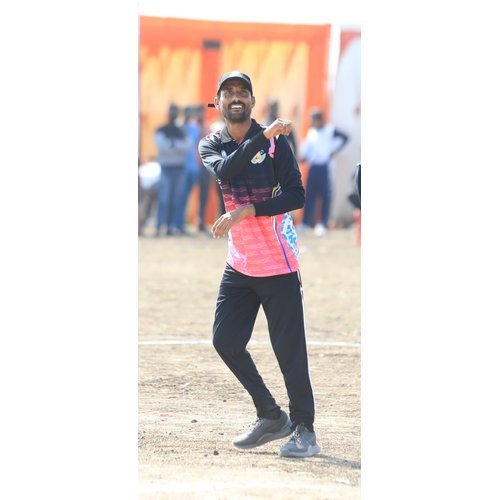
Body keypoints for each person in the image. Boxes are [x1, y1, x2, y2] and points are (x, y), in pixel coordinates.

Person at [198, 70, 320, 458]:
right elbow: (226, 170)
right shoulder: (211, 144)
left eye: (242, 92)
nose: (236, 98)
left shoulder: (277, 145)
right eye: (228, 93)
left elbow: (296, 196)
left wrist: (248, 210)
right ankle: (270, 415)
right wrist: (263, 135)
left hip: (278, 264)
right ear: (218, 102)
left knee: (289, 351)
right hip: (240, 264)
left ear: (252, 101)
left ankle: (304, 429)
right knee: (225, 341)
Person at [299, 108, 349, 236]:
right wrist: (304, 158)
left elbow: (345, 138)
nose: (312, 122)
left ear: (320, 120)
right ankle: (306, 223)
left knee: (325, 196)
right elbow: (310, 149)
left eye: (313, 120)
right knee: (309, 195)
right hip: (313, 166)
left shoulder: (330, 130)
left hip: (325, 166)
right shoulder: (311, 132)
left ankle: (323, 224)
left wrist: (335, 151)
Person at [154, 103, 192, 237]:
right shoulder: (161, 130)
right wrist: (176, 147)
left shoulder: (182, 131)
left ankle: (170, 227)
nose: (173, 115)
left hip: (179, 168)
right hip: (166, 168)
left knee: (175, 200)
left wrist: (172, 145)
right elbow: (161, 146)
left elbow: (188, 146)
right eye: (172, 112)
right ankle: (159, 227)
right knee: (164, 199)